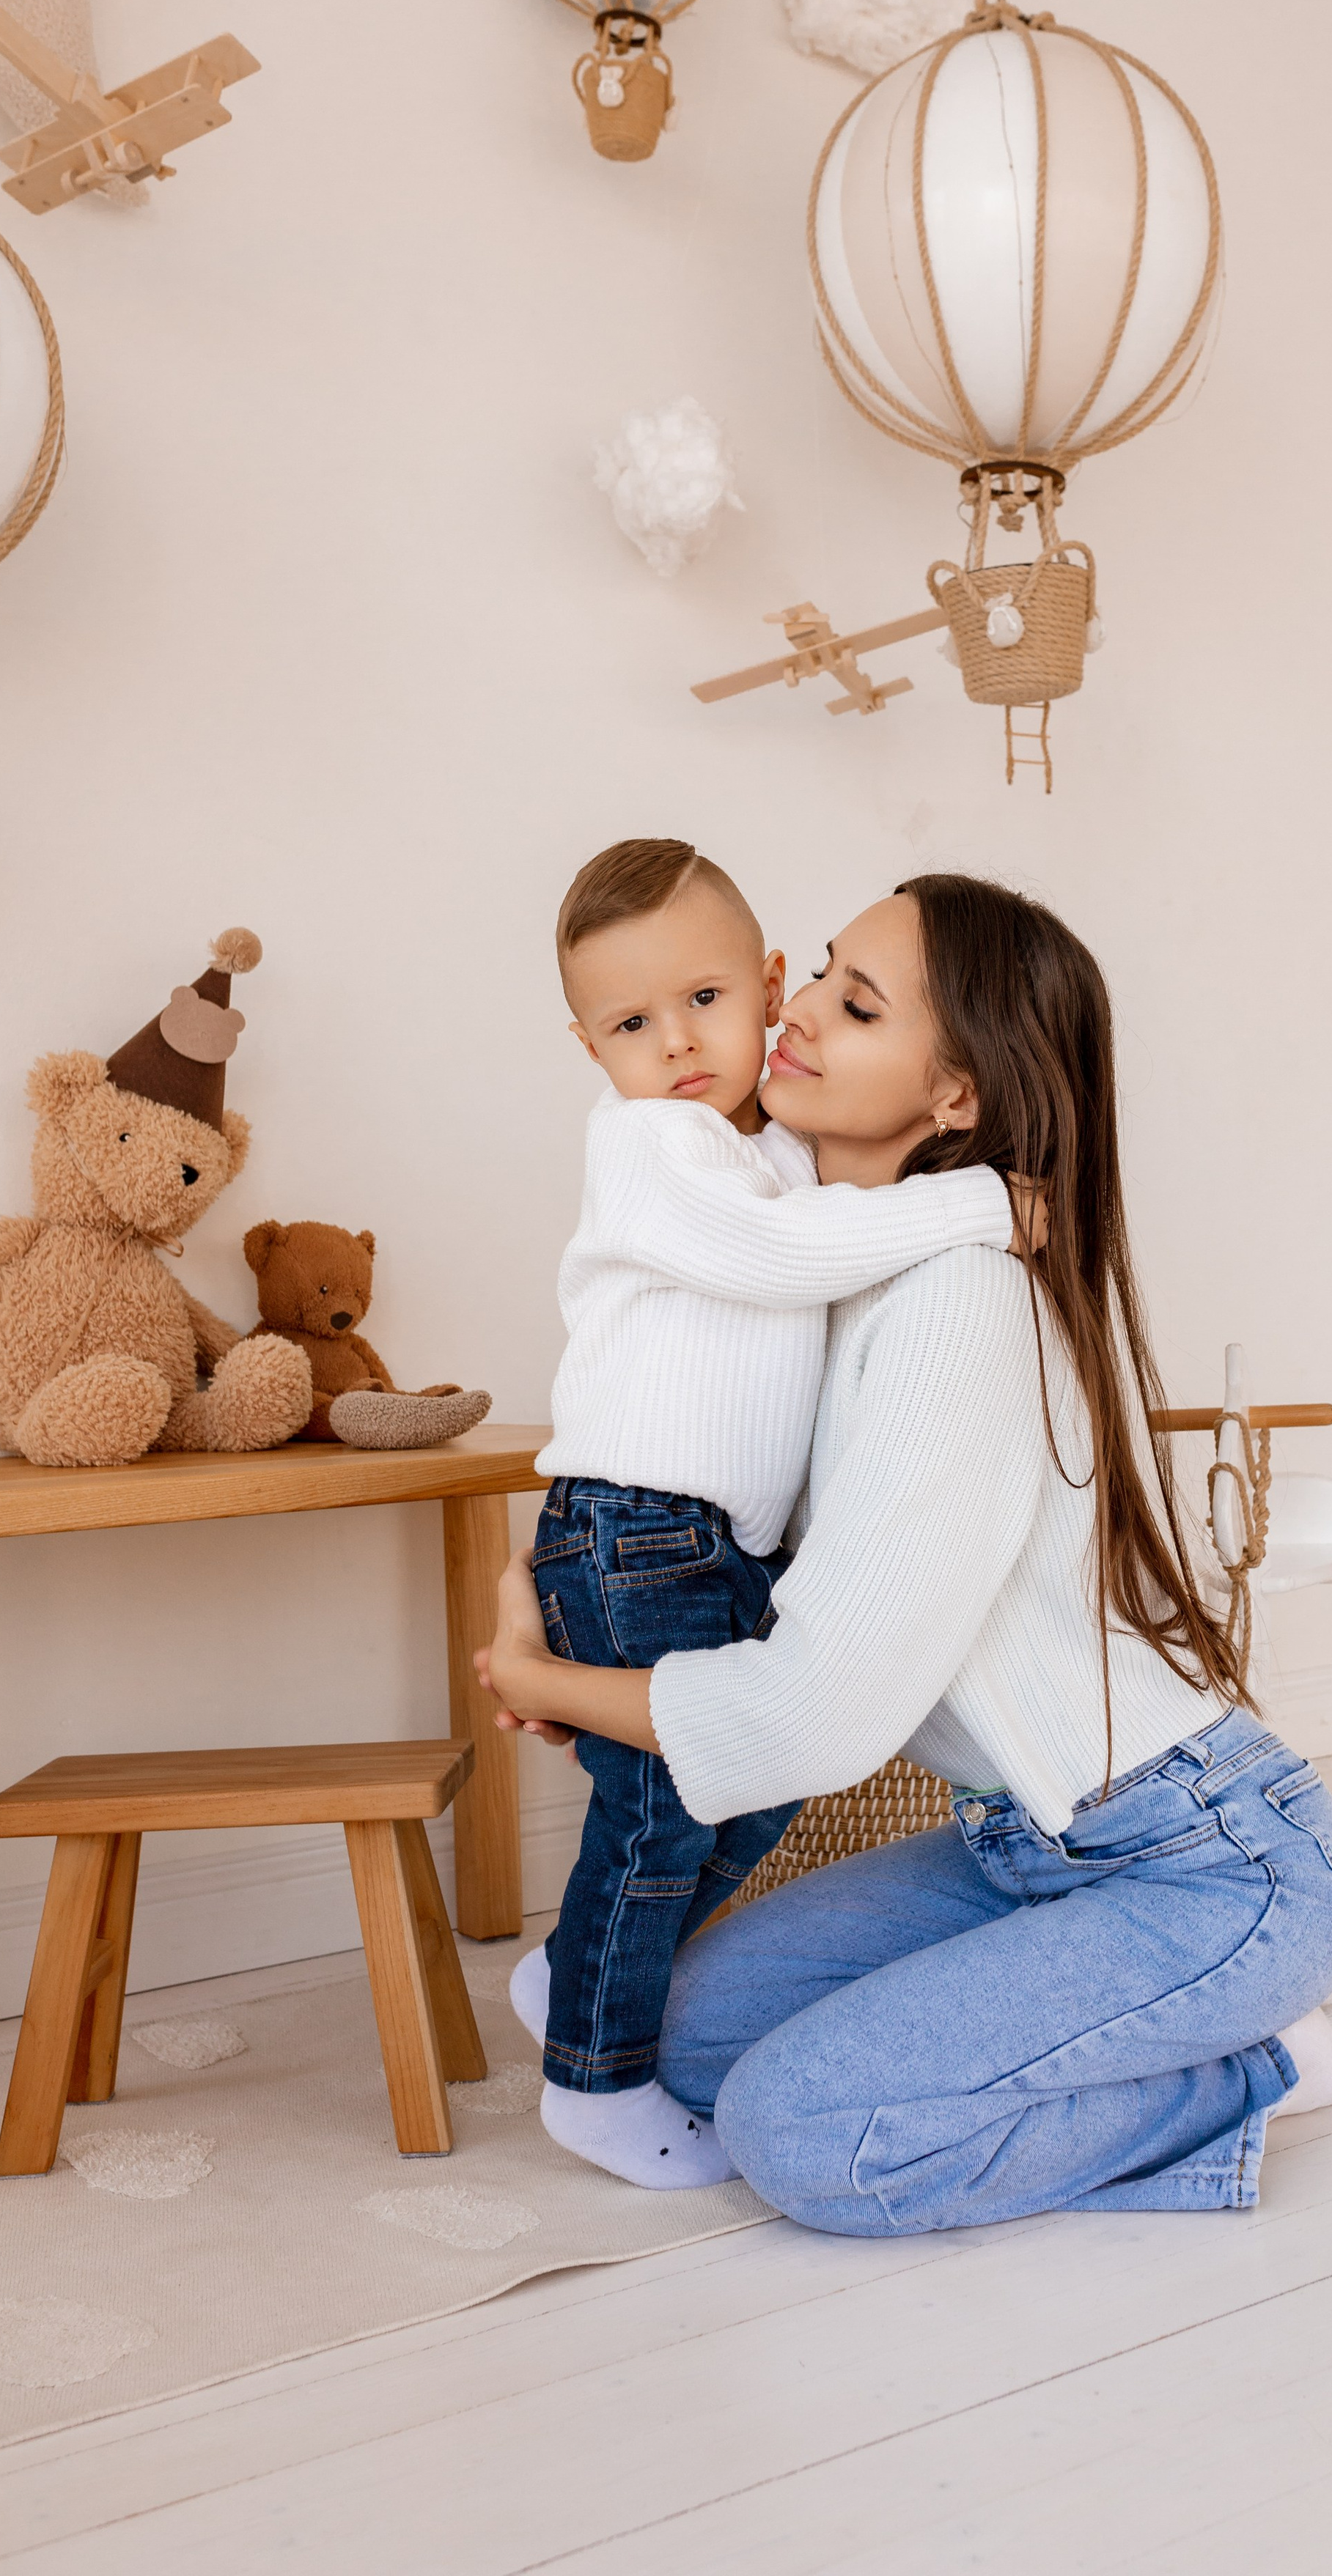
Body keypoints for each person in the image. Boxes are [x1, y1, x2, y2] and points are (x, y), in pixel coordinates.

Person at [482, 872, 1332, 2231]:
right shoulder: (814, 1276)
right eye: (818, 981)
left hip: (1203, 1858)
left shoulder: (955, 1304)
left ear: (958, 1098)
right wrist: (603, 1653)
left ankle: (1265, 2065)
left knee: (805, 2137)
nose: (794, 1015)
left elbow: (815, 1712)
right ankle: (1110, 2021)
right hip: (1019, 1842)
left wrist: (548, 1683)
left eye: (855, 1005)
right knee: (683, 2038)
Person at [524, 839, 1020, 2187]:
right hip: (632, 1525)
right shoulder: (652, 1148)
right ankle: (597, 2082)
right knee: (657, 1815)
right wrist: (977, 1201)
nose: (678, 1045)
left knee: (749, 1785)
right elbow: (771, 1261)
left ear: (767, 984)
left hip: (712, 1541)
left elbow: (816, 1249)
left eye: (704, 1002)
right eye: (632, 1025)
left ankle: (573, 1983)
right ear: (591, 1050)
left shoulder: (778, 1162)